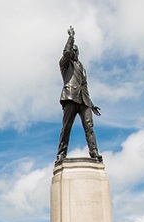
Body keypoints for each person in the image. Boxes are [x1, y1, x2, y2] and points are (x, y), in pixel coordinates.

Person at [57, 26, 102, 163]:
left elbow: (85, 86)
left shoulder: (82, 68)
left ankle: (94, 152)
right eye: (73, 51)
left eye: (76, 51)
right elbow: (66, 52)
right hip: (70, 96)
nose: (74, 53)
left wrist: (92, 104)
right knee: (67, 127)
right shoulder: (65, 64)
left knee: (89, 127)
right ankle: (61, 154)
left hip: (84, 100)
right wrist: (71, 37)